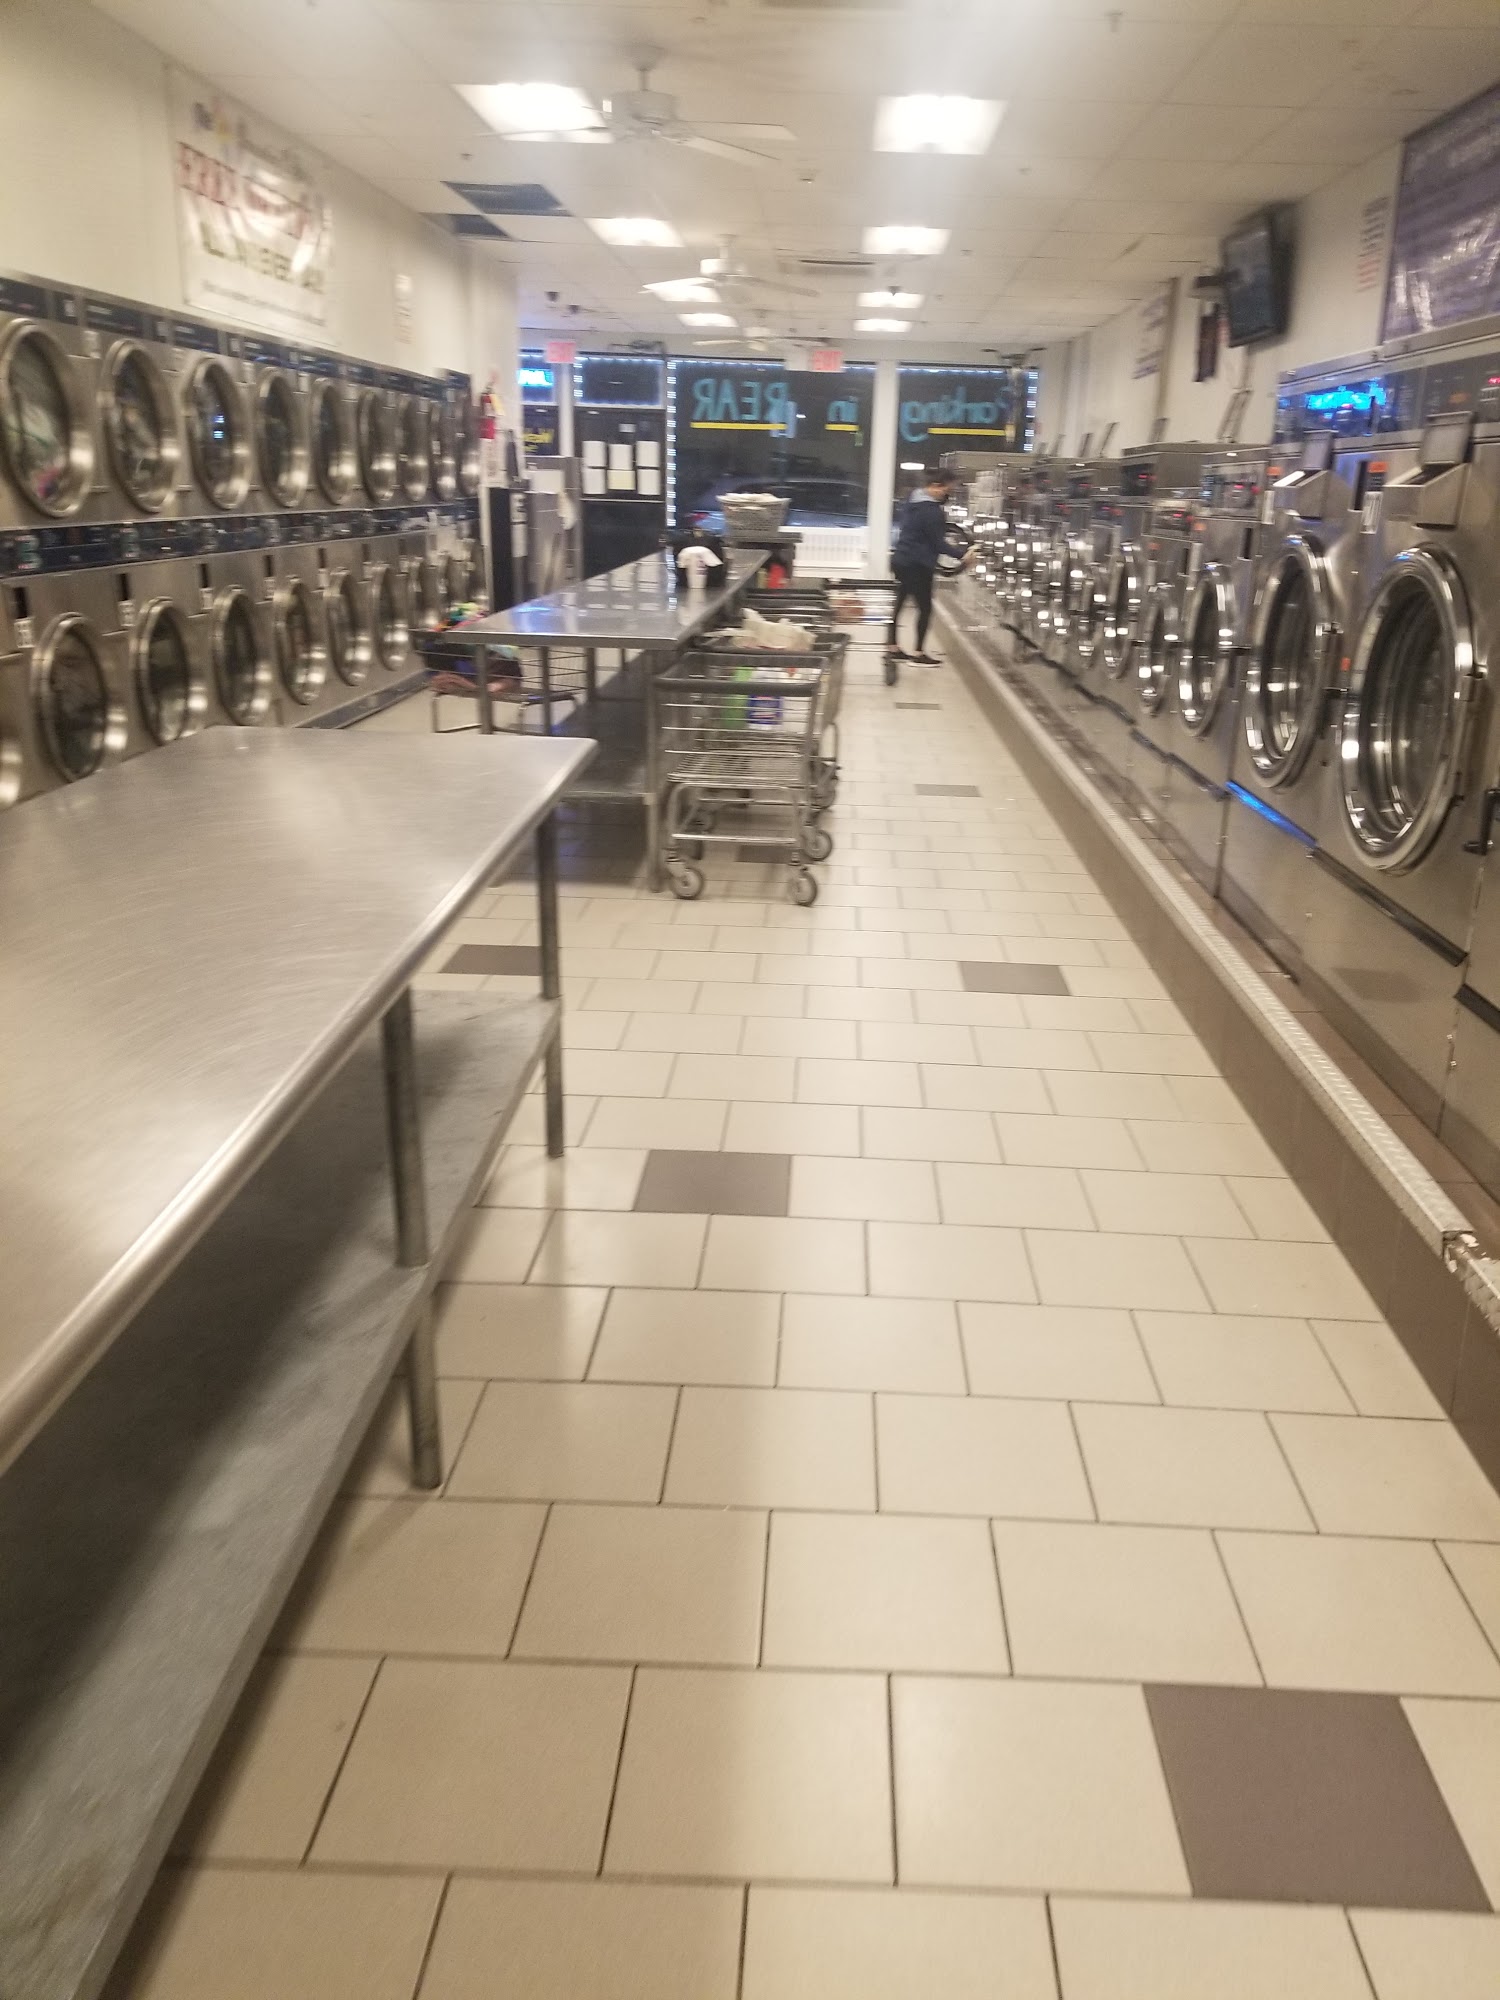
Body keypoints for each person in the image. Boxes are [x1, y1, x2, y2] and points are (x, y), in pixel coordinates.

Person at [889, 472, 959, 664]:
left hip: (901, 559)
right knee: (925, 608)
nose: (947, 494)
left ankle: (892, 647)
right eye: (947, 490)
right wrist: (963, 555)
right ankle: (918, 653)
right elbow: (938, 544)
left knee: (899, 604)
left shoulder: (912, 501)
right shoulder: (932, 511)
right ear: (936, 486)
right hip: (918, 564)